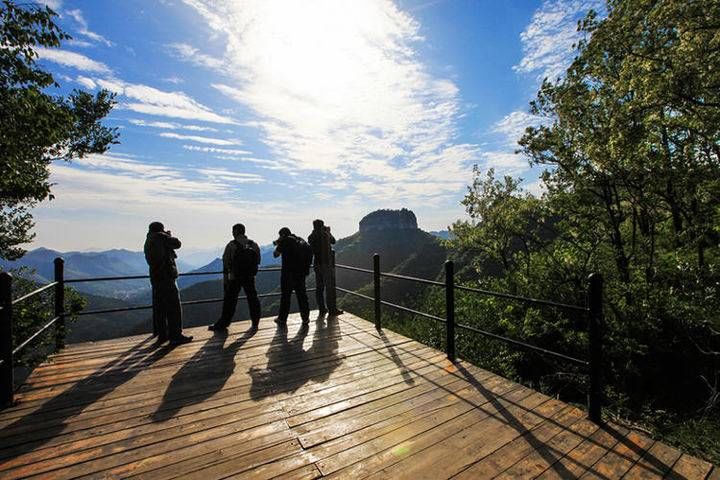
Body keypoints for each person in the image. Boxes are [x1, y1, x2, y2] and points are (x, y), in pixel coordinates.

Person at [144, 222, 193, 345]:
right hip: (167, 277)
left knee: (160, 308)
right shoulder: (161, 237)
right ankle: (176, 335)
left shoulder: (149, 240)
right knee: (174, 307)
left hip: (155, 278)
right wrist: (167, 235)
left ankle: (162, 335)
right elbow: (178, 244)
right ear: (161, 229)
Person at [209, 223, 262, 332]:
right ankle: (255, 322)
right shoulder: (253, 244)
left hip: (235, 277)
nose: (232, 233)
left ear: (236, 232)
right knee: (252, 299)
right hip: (249, 277)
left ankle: (223, 323)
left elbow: (226, 263)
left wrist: (226, 281)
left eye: (233, 231)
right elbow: (258, 261)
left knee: (230, 301)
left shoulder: (231, 245)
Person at [273, 227, 311, 326]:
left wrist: (279, 243)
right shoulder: (301, 240)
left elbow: (275, 254)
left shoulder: (285, 241)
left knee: (285, 297)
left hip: (288, 274)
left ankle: (282, 319)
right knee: (302, 296)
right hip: (300, 274)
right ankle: (305, 318)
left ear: (282, 235)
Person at [308, 219, 343, 316]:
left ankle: (322, 308)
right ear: (322, 225)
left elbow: (311, 240)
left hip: (317, 264)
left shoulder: (311, 236)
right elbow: (333, 241)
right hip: (326, 264)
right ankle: (332, 309)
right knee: (329, 287)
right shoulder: (325, 235)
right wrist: (329, 232)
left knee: (319, 288)